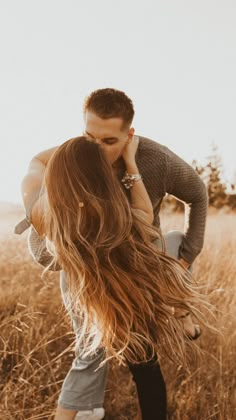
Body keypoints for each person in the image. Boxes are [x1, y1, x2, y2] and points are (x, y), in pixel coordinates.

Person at [15, 88, 208, 420]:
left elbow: (196, 195)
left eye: (109, 141)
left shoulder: (155, 159)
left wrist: (187, 256)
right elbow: (36, 170)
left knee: (144, 356)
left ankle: (179, 310)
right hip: (85, 269)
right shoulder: (73, 159)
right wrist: (37, 206)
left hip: (134, 267)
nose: (97, 149)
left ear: (129, 134)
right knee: (90, 353)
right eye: (89, 137)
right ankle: (83, 410)